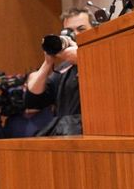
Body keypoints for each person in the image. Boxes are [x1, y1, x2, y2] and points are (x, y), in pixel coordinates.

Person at [25, 7, 95, 136]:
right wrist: (47, 63)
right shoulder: (64, 68)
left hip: (95, 133)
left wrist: (81, 57)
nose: (75, 35)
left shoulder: (105, 58)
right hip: (67, 136)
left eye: (81, 29)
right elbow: (33, 101)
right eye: (69, 31)